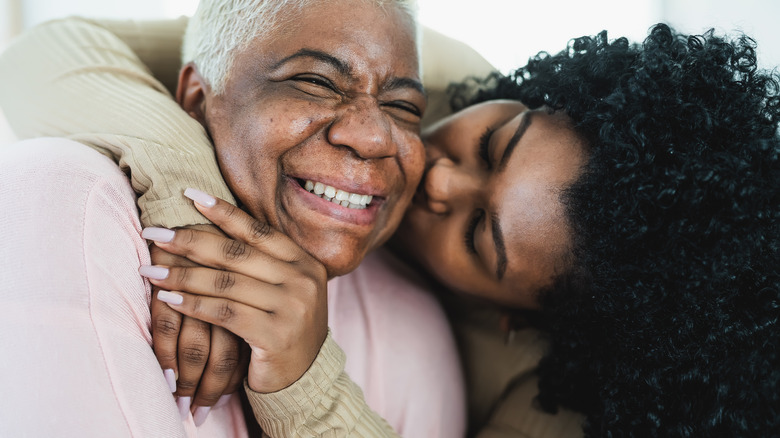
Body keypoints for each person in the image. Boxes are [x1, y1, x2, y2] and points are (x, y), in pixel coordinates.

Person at [5, 11, 777, 438]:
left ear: (515, 316)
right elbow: (48, 52)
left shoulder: (546, 403)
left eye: (479, 233)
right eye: (491, 141)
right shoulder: (418, 77)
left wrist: (304, 378)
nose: (437, 172)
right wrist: (185, 196)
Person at [0, 0, 475, 437]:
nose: (373, 138)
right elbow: (38, 54)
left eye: (403, 107)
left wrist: (307, 392)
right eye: (315, 82)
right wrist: (189, 196)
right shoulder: (70, 205)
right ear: (196, 98)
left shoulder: (413, 326)